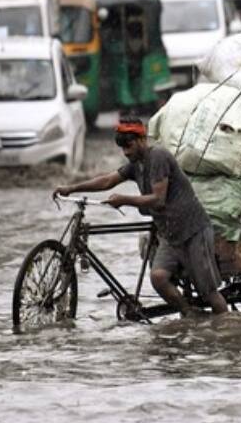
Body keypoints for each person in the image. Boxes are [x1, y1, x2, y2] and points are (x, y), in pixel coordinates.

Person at [53, 117, 228, 317]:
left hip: (192, 230)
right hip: (169, 234)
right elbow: (107, 181)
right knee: (159, 278)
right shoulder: (136, 164)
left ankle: (225, 328)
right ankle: (190, 314)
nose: (126, 152)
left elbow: (158, 199)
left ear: (142, 139)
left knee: (209, 293)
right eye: (123, 148)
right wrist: (71, 188)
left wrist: (124, 199)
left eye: (129, 146)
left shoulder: (158, 157)